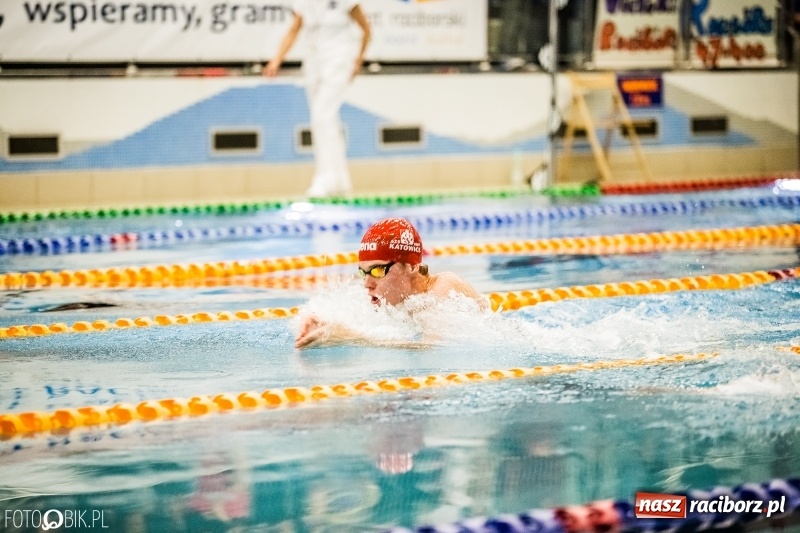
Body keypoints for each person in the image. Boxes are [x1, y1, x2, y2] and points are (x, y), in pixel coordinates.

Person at [295, 218, 488, 349]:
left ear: (412, 266)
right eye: (364, 272)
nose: (367, 284)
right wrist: (328, 325)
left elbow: (433, 349)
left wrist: (350, 337)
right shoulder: (399, 301)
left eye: (378, 270)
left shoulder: (445, 287)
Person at [264, 0, 371, 199]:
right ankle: (340, 180)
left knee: (322, 115)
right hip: (314, 62)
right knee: (325, 121)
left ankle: (326, 179)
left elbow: (366, 28)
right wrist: (276, 60)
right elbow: (294, 30)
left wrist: (359, 59)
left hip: (339, 60)